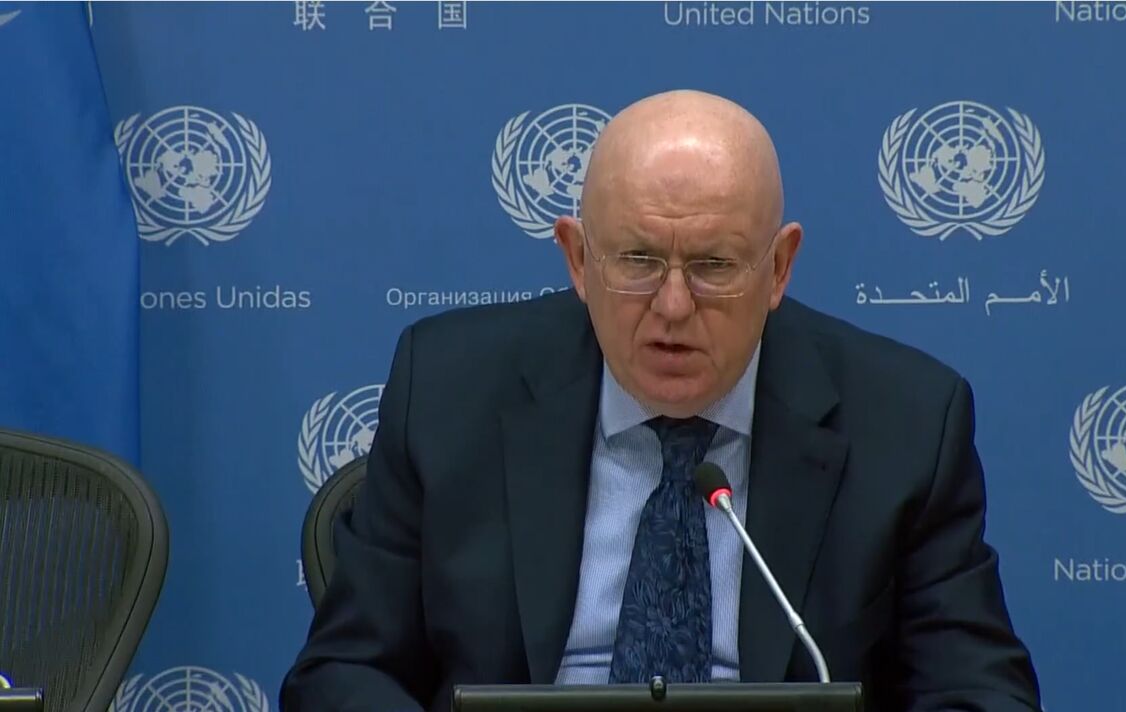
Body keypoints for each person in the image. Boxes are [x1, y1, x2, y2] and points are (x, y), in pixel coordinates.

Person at [282, 90, 1040, 711]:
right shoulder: (449, 389)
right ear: (578, 259)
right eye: (638, 260)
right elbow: (343, 673)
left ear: (779, 267)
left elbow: (979, 692)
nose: (673, 307)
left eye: (714, 266)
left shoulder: (906, 423)